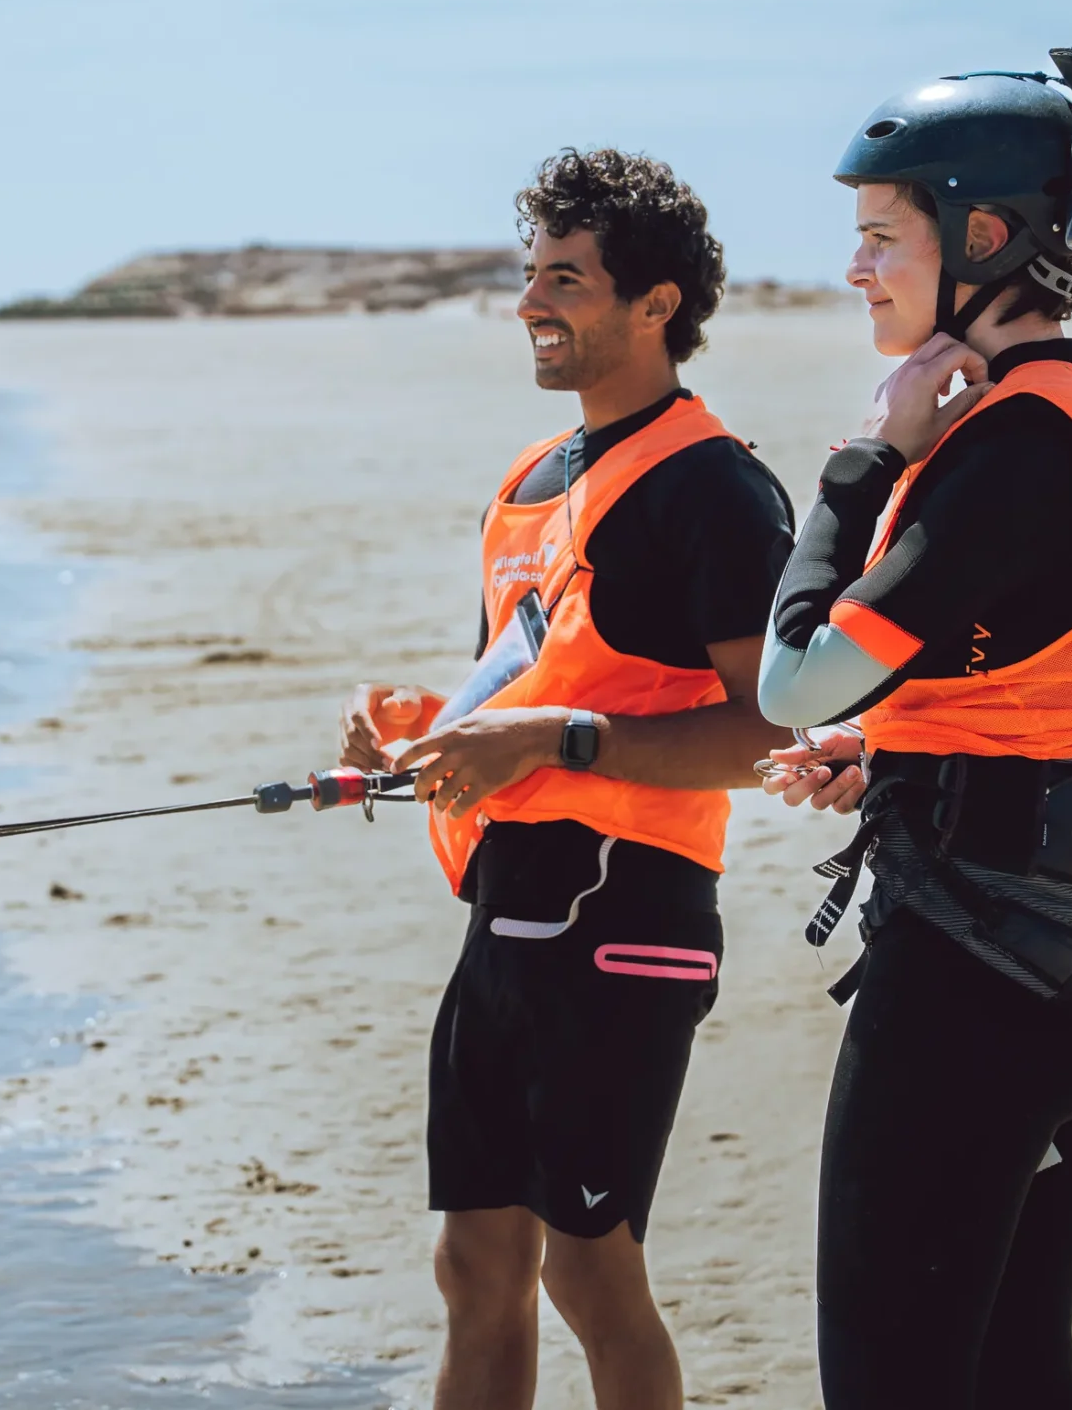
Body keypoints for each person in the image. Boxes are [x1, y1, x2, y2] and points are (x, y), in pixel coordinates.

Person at [756, 50, 1072, 1408]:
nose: (854, 268)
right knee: (1019, 1374)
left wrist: (866, 457)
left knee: (894, 1385)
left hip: (981, 981)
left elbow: (792, 680)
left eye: (878, 236)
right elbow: (1052, 657)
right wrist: (902, 750)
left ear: (984, 235)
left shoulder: (1008, 444)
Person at [339, 148, 793, 1410]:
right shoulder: (530, 481)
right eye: (530, 274)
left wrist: (548, 744)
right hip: (509, 910)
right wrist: (422, 737)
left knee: (593, 1275)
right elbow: (528, 677)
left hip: (629, 914)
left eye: (569, 280)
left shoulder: (715, 488)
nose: (534, 303)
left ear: (657, 306)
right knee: (475, 1261)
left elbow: (772, 736)